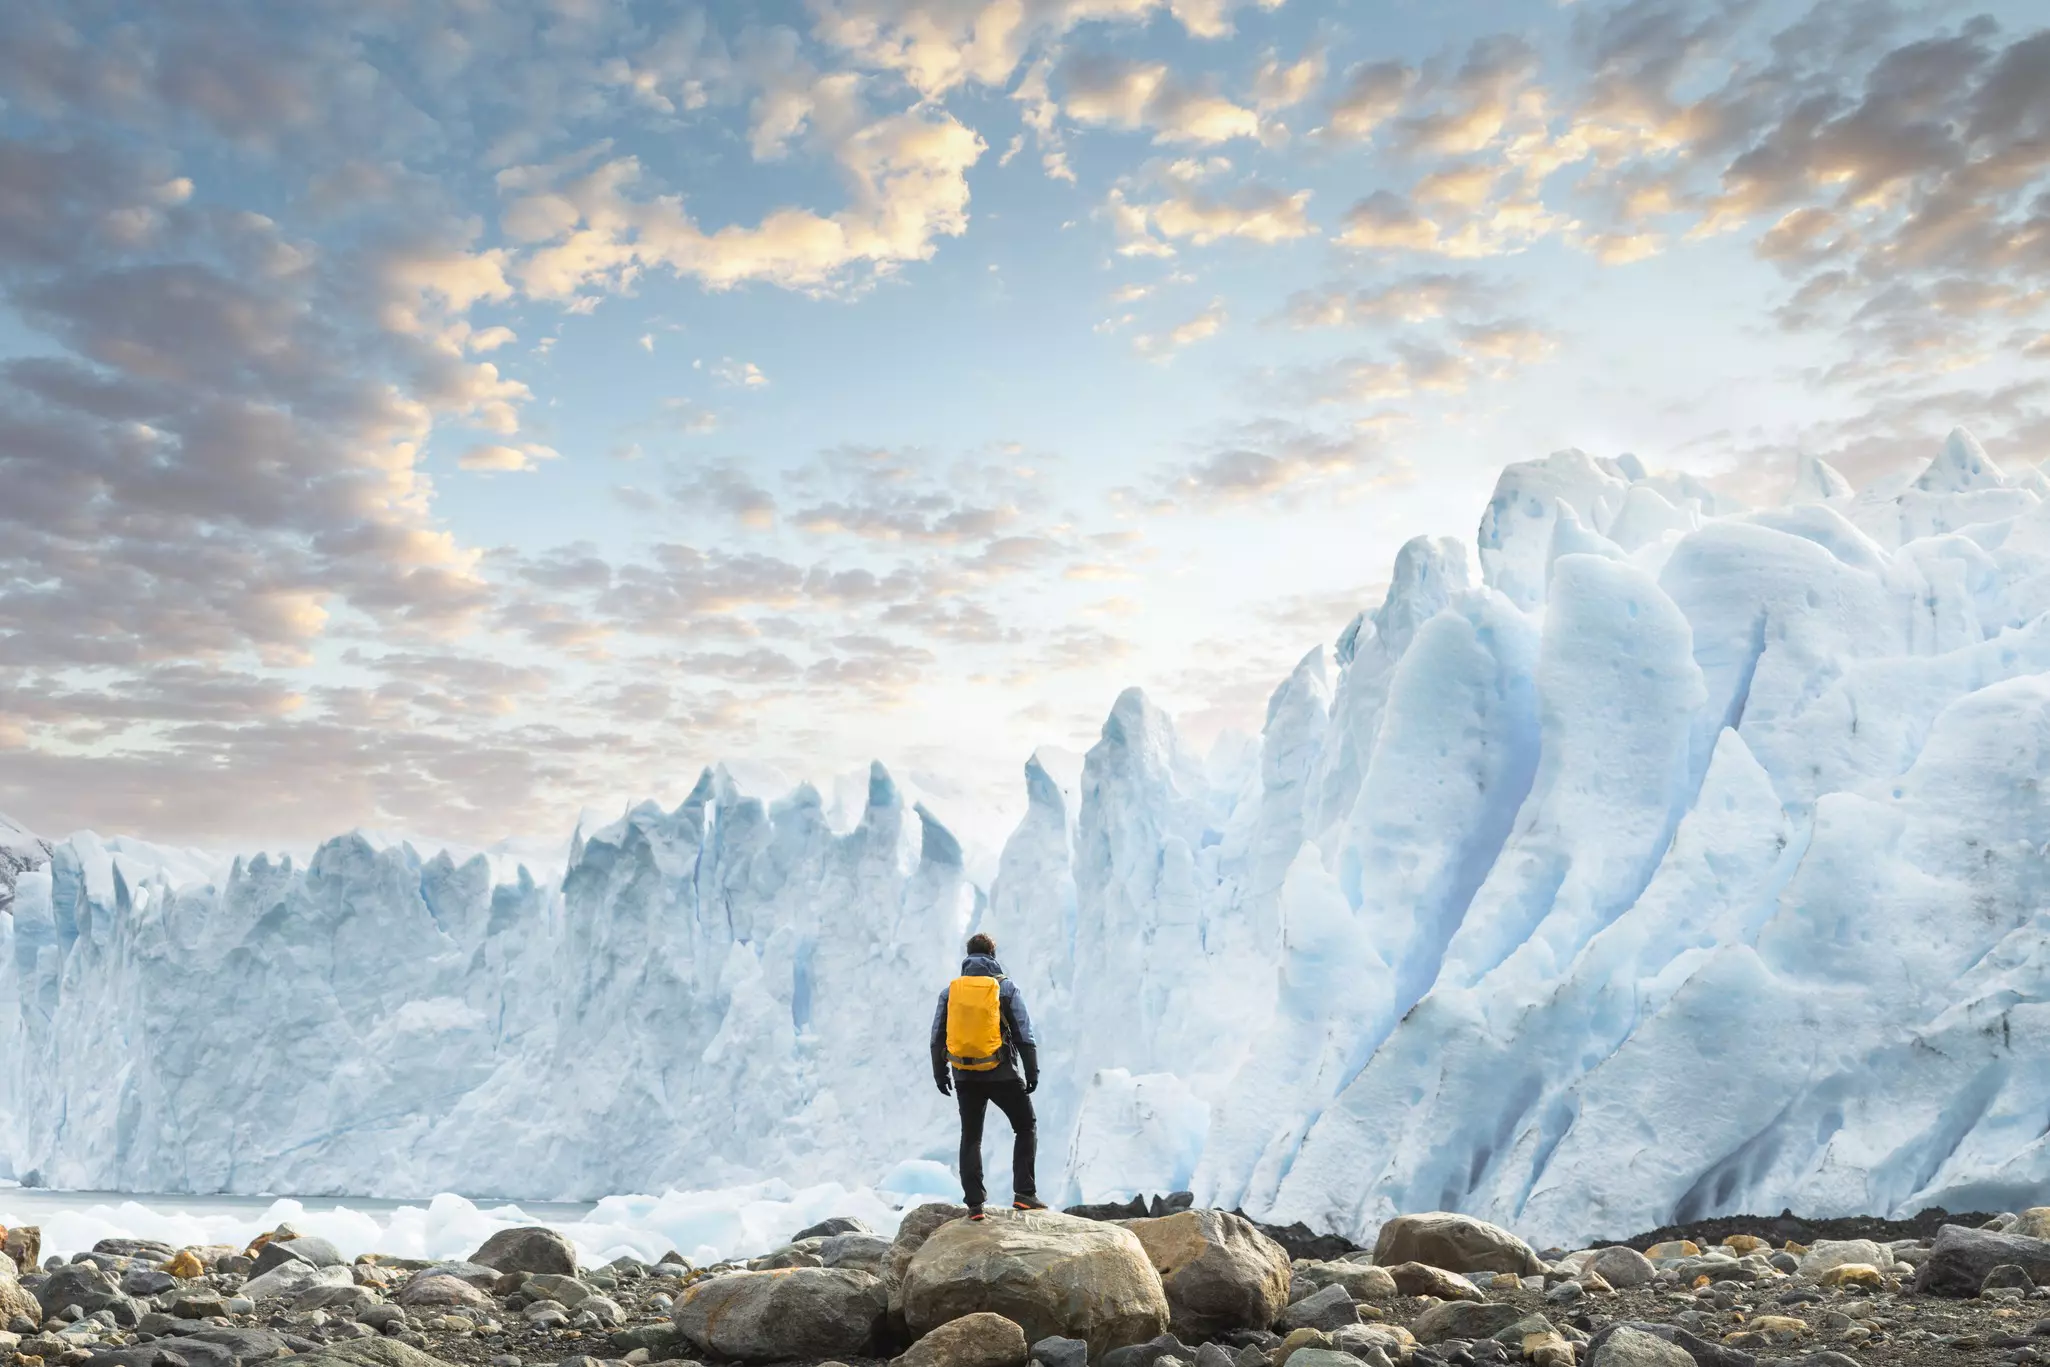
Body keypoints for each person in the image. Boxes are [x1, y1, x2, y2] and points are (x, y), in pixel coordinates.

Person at [931, 932, 1045, 1219]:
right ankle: (1024, 1194)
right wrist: (1031, 1069)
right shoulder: (1005, 988)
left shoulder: (950, 992)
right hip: (1001, 1072)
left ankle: (974, 1205)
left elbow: (937, 1035)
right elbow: (1022, 1030)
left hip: (965, 1075)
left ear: (967, 956)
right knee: (1025, 1126)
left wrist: (940, 1072)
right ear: (993, 956)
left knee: (971, 1136)